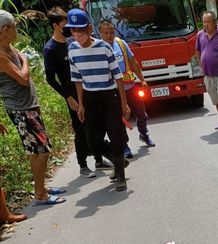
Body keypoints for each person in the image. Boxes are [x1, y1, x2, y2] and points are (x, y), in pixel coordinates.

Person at [0, 10, 65, 206]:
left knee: (35, 150)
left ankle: (41, 188)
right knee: (42, 150)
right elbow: (22, 78)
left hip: (29, 106)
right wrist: (26, 60)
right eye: (14, 27)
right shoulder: (1, 55)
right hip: (20, 109)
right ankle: (40, 195)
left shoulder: (10, 49)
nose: (16, 30)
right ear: (4, 29)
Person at [66, 8, 130, 191]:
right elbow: (77, 79)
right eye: (74, 31)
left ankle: (120, 176)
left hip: (109, 95)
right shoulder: (72, 49)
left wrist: (124, 104)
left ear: (89, 28)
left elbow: (118, 77)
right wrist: (80, 105)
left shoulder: (104, 47)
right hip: (89, 98)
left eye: (81, 30)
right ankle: (117, 160)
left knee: (115, 134)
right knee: (93, 141)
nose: (78, 34)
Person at [44, 6, 106, 178]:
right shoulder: (50, 49)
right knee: (81, 129)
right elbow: (50, 79)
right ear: (57, 26)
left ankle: (99, 160)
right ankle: (83, 165)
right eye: (66, 24)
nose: (70, 27)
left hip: (88, 90)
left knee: (96, 125)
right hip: (72, 94)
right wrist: (68, 97)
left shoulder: (73, 42)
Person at [98, 19, 155, 158]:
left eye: (111, 32)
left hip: (130, 87)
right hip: (113, 90)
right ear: (100, 33)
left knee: (141, 113)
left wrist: (142, 79)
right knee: (119, 119)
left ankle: (144, 134)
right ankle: (124, 145)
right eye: (106, 33)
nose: (109, 35)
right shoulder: (98, 48)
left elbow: (133, 62)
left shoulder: (121, 43)